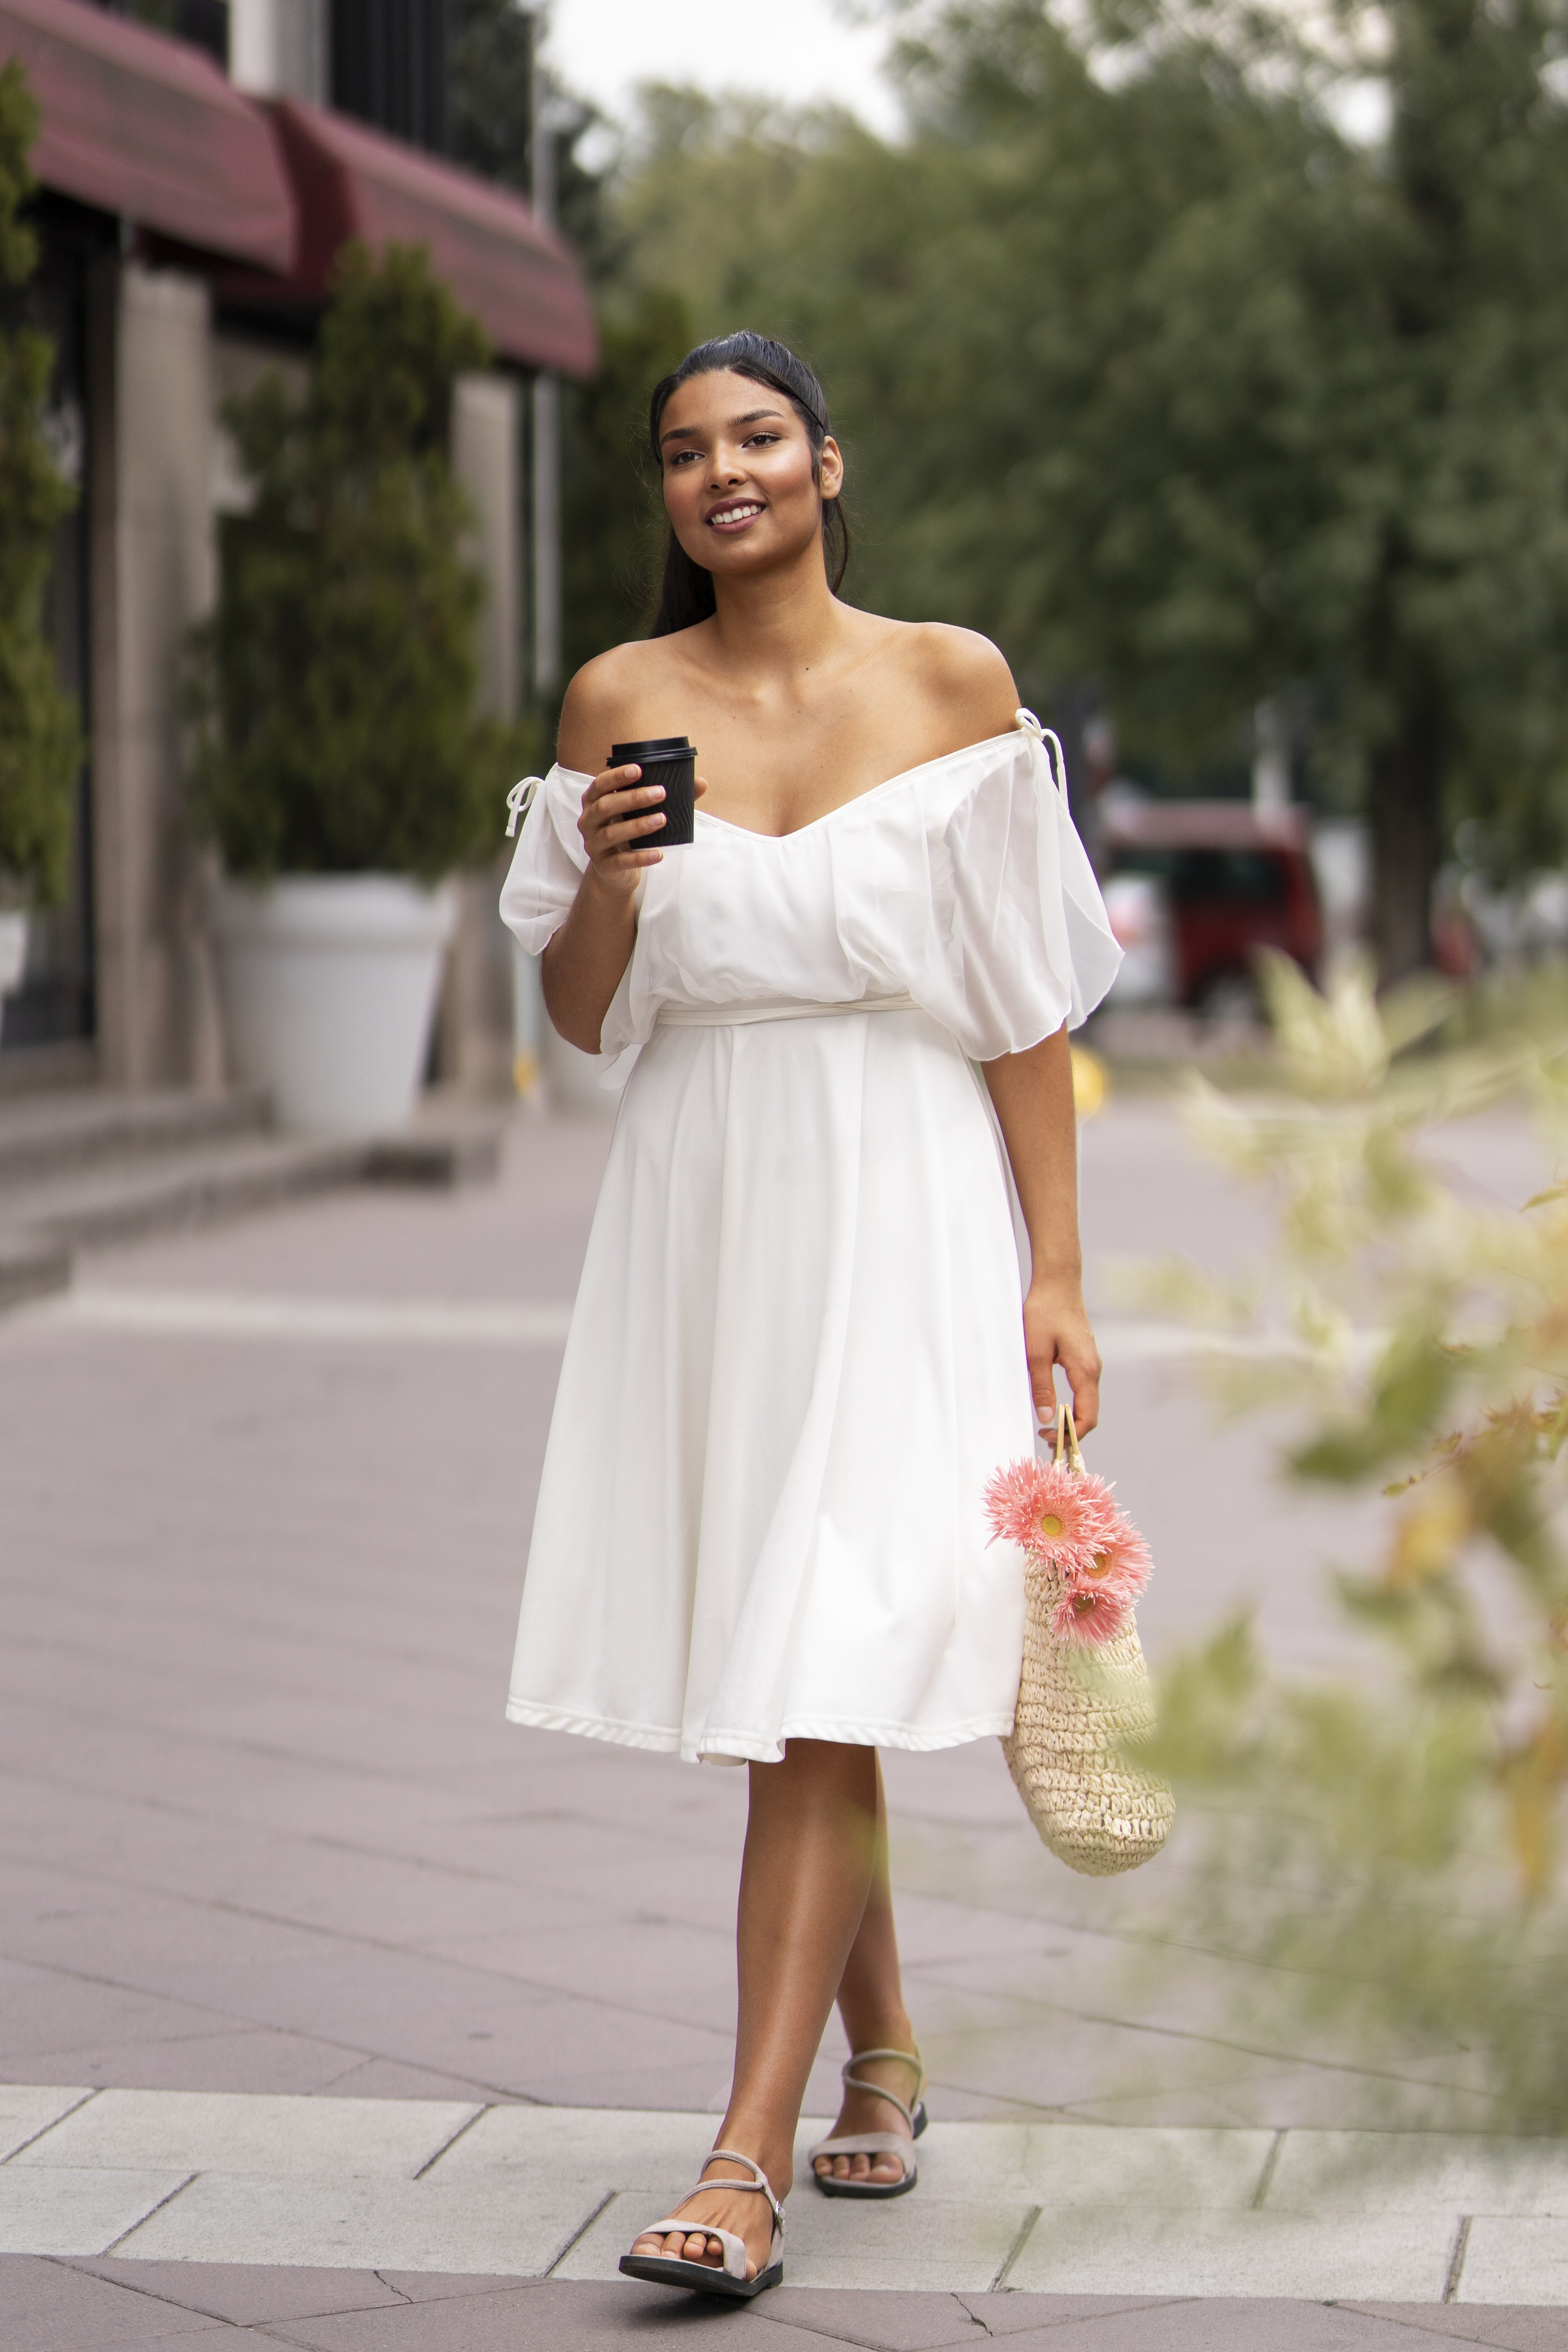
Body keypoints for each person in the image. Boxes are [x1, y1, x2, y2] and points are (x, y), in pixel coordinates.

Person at [498, 330, 1120, 2302]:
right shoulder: (620, 697)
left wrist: (1056, 1267)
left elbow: (1020, 1002)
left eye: (758, 435)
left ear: (827, 463)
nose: (724, 471)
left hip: (905, 1195)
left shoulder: (950, 682)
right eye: (685, 450)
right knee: (799, 1657)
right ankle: (888, 2049)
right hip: (707, 1207)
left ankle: (741, 2158)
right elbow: (584, 1014)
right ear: (667, 495)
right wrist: (609, 880)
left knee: (817, 1650)